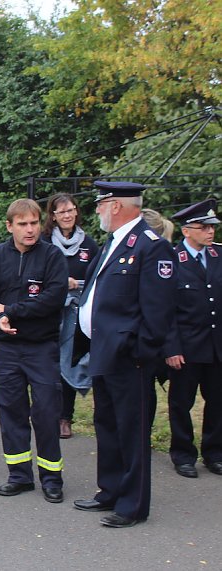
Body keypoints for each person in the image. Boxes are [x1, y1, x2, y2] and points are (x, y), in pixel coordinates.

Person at [72, 180, 177, 528]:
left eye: (101, 203)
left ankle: (133, 505)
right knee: (108, 425)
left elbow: (158, 311)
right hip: (104, 351)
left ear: (116, 205)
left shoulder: (151, 247)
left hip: (129, 357)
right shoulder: (114, 242)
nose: (97, 209)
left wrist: (139, 352)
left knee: (131, 431)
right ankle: (111, 490)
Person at [0, 199, 69, 503]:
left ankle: (51, 478)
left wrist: (11, 310)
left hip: (41, 348)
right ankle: (18, 475)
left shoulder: (52, 256)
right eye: (22, 224)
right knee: (11, 411)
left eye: (34, 223)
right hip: (6, 350)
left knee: (45, 412)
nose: (30, 230)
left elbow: (52, 299)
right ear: (9, 226)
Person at [164, 199, 222, 478]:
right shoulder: (173, 261)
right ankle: (183, 454)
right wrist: (171, 347)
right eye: (204, 227)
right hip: (186, 347)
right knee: (181, 403)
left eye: (212, 227)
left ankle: (215, 452)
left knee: (217, 401)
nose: (210, 232)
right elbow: (166, 310)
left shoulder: (218, 256)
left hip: (216, 346)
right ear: (187, 231)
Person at [42, 193, 99, 439]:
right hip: (47, 311)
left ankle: (65, 417)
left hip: (76, 312)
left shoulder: (89, 244)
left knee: (68, 361)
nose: (66, 216)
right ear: (53, 216)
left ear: (76, 212)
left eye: (70, 210)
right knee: (46, 361)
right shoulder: (43, 241)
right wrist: (58, 282)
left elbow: (97, 278)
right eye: (61, 212)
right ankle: (46, 413)